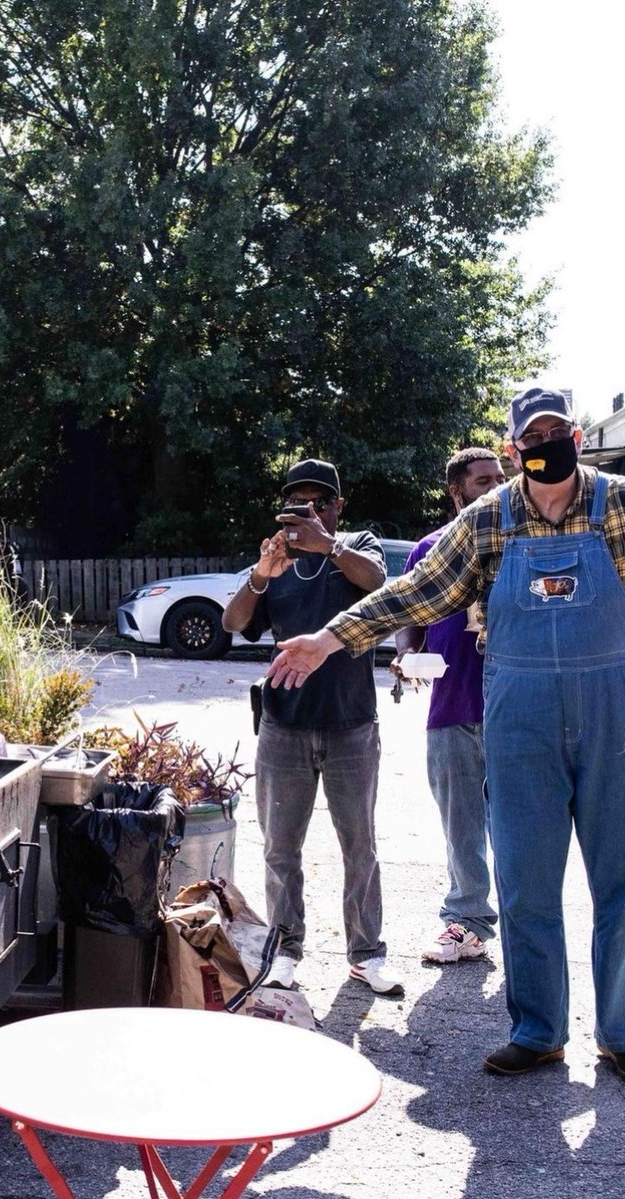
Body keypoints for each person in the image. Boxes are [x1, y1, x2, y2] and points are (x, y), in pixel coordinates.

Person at [265, 388, 625, 1081]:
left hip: (613, 715)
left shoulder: (616, 505)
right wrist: (329, 639)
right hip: (518, 721)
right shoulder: (489, 519)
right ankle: (539, 1030)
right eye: (532, 437)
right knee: (524, 884)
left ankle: (621, 1033)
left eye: (557, 432)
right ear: (515, 449)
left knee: (620, 882)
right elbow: (417, 592)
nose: (545, 444)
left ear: (578, 439)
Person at [221, 458, 404, 997]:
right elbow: (234, 623)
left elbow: (378, 583)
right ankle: (285, 950)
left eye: (320, 503)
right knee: (280, 848)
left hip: (351, 723)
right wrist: (260, 575)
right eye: (297, 504)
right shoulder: (276, 560)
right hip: (284, 725)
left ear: (338, 506)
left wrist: (327, 544)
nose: (309, 513)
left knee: (359, 846)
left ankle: (366, 955)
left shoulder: (357, 546)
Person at [393, 448, 505, 964]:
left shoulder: (522, 544)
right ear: (457, 491)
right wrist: (405, 654)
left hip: (517, 710)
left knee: (519, 831)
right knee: (461, 829)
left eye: (501, 477)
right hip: (452, 706)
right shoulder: (431, 549)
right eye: (483, 481)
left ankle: (526, 931)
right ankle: (466, 923)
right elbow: (409, 616)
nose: (496, 487)